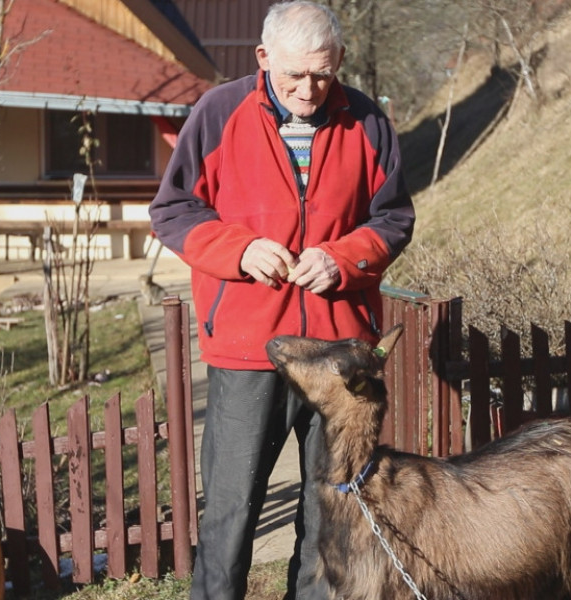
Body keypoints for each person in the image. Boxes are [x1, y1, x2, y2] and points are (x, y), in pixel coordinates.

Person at [149, 2, 415, 598]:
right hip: (248, 348)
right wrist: (238, 251)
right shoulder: (218, 112)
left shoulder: (368, 121)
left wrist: (343, 259)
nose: (307, 88)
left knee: (330, 512)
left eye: (321, 74)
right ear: (263, 58)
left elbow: (394, 217)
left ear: (339, 61)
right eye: (293, 74)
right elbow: (173, 210)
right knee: (231, 511)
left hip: (342, 350)